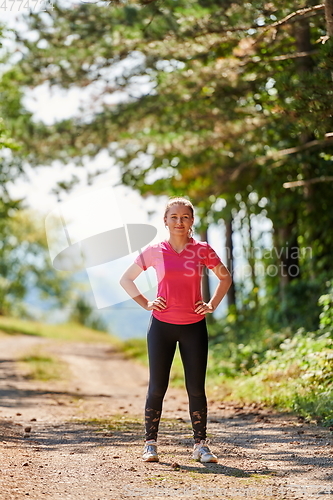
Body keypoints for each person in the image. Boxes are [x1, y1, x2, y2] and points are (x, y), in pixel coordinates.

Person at [119, 197, 232, 463]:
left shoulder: (202, 250)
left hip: (194, 326)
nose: (179, 222)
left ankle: (201, 446)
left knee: (196, 388)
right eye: (174, 217)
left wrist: (212, 304)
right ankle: (150, 444)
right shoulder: (154, 250)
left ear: (192, 221)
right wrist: (146, 302)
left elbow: (225, 277)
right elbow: (126, 279)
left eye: (185, 217)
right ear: (165, 221)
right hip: (161, 326)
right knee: (157, 387)